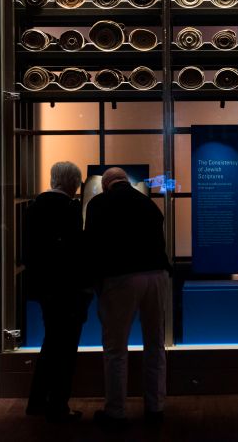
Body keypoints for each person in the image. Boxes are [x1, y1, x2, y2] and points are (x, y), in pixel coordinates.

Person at [85, 167, 170, 427]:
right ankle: (155, 408)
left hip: (120, 278)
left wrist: (94, 283)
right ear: (126, 182)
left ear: (106, 184)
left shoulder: (99, 204)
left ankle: (116, 410)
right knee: (155, 343)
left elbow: (92, 245)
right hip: (156, 275)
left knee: (115, 348)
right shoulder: (147, 203)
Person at [23, 161, 91, 422]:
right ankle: (57, 405)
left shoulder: (33, 208)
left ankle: (37, 401)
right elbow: (76, 252)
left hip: (43, 287)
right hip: (68, 290)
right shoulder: (70, 209)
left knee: (50, 344)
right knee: (64, 350)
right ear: (73, 183)